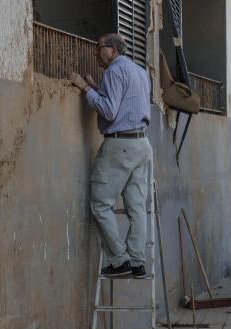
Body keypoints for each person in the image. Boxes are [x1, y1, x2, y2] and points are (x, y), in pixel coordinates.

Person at [70, 33, 152, 278]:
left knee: (100, 204)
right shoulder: (139, 71)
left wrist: (85, 89)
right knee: (137, 207)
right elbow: (123, 103)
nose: (96, 52)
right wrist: (96, 88)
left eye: (99, 47)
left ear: (113, 50)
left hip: (120, 145)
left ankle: (119, 261)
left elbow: (109, 110)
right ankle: (137, 262)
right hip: (141, 144)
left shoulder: (114, 71)